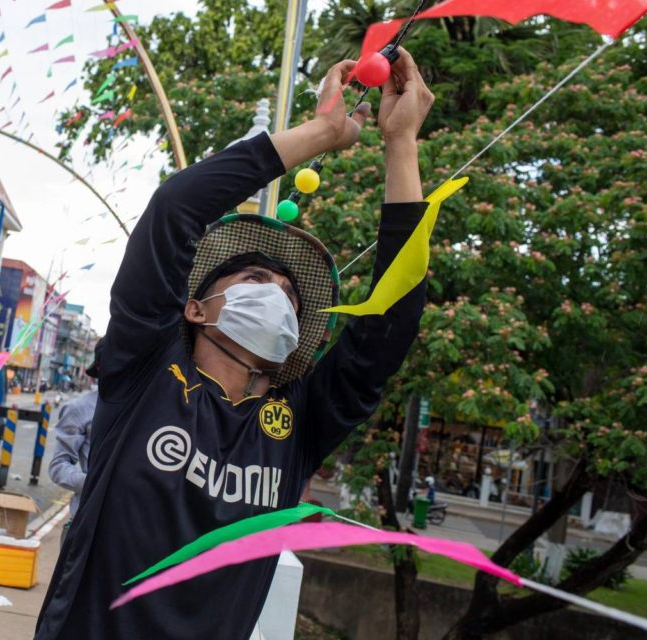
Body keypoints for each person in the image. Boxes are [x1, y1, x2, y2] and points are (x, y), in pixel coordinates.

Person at [36, 48, 435, 639]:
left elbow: (391, 320)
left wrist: (401, 145)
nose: (275, 293)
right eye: (254, 279)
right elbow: (175, 210)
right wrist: (322, 131)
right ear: (195, 309)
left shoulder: (298, 423)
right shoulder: (143, 365)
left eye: (289, 295)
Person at [47, 345, 101, 546]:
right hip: (84, 525)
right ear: (100, 366)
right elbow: (58, 467)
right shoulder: (80, 409)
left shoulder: (142, 409)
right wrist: (95, 484)